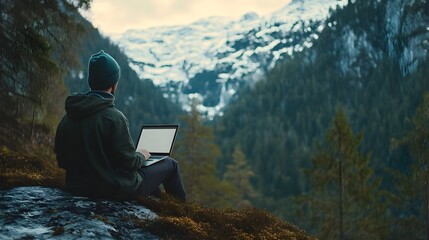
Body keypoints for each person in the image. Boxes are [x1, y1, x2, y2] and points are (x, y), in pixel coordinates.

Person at [54, 50, 186, 200]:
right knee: (169, 164)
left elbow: (61, 160)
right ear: (113, 84)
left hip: (77, 187)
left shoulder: (68, 117)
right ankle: (186, 215)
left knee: (150, 181)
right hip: (113, 190)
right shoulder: (113, 118)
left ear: (91, 81)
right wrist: (141, 155)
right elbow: (130, 162)